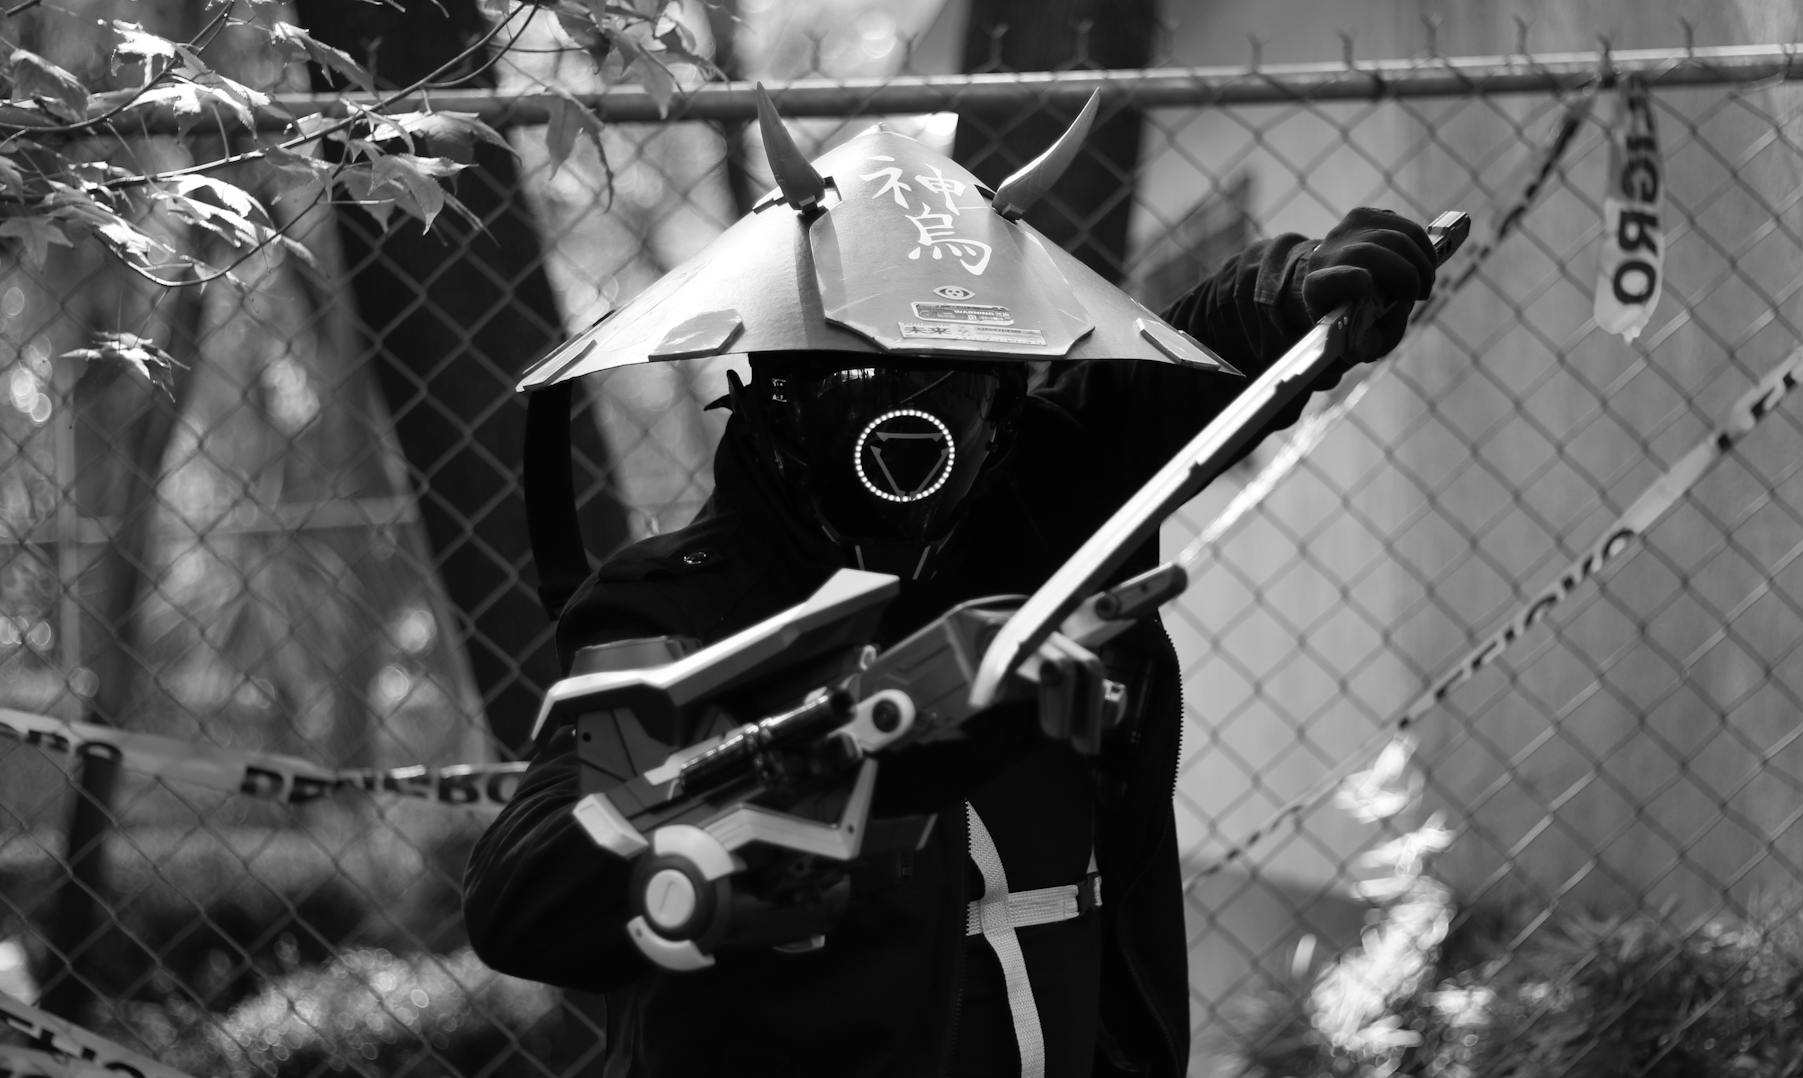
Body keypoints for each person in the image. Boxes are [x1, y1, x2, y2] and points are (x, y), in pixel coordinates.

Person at [464, 93, 1439, 1077]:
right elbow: (535, 890)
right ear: (767, 395)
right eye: (854, 375)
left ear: (1003, 392)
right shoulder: (673, 609)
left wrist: (1293, 293)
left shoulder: (1042, 505)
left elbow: (1185, 370)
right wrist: (842, 748)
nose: (909, 416)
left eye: (951, 377)